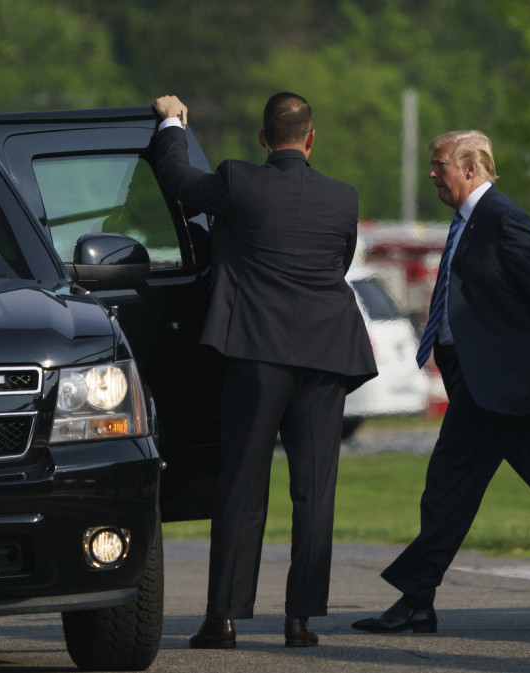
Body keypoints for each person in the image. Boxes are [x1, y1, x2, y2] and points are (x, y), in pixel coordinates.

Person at [351, 129, 530, 636]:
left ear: (470, 169)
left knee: (449, 487)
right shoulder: (470, 220)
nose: (431, 173)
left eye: (439, 163)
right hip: (490, 381)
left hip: (499, 383)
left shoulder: (503, 218)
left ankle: (416, 598)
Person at [151, 93, 377, 649]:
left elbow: (178, 177)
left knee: (242, 485)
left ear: (261, 138)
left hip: (257, 351)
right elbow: (337, 263)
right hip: (327, 354)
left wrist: (172, 122)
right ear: (311, 138)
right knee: (315, 490)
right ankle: (300, 621)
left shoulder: (238, 181)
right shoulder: (342, 198)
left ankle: (223, 619)